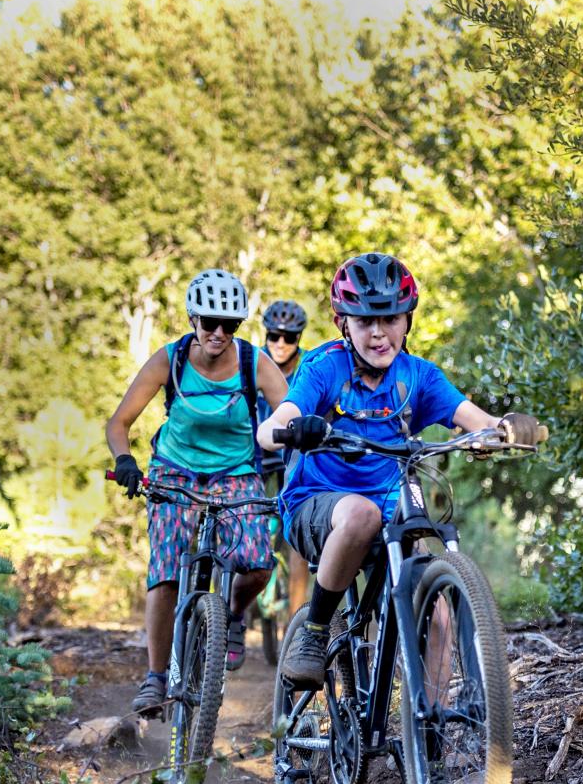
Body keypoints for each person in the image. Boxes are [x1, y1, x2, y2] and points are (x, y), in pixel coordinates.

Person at [256, 253, 542, 690]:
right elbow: (281, 418)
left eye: (390, 319)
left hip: (392, 513)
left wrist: (505, 428)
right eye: (364, 320)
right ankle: (314, 631)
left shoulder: (419, 377)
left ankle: (430, 738)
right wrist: (288, 428)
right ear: (341, 323)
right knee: (361, 514)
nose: (378, 333)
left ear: (407, 320)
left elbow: (473, 417)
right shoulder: (324, 366)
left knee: (440, 616)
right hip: (318, 506)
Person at [106, 269, 290, 716]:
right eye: (210, 322)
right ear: (194, 318)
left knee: (259, 564)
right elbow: (119, 423)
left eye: (231, 325)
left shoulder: (253, 362)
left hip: (237, 473)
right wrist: (125, 460)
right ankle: (155, 677)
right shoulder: (169, 361)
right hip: (175, 471)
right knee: (167, 567)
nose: (219, 333)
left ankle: (230, 614)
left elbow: (289, 411)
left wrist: (299, 452)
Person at [257, 300, 311, 617]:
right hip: (257, 453)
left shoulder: (308, 367)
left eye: (288, 337)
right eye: (274, 335)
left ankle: (296, 618)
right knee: (254, 522)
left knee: (296, 535)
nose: (280, 343)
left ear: (298, 339)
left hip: (293, 454)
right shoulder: (253, 361)